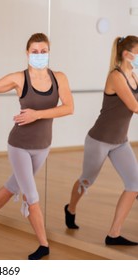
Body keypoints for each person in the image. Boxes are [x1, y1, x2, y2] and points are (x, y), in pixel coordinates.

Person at [0, 33, 74, 260]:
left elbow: (69, 108)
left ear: (49, 52)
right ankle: (43, 244)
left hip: (43, 146)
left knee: (12, 186)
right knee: (31, 195)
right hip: (19, 145)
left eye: (43, 51)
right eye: (35, 51)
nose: (39, 55)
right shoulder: (19, 79)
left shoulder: (59, 78)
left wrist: (36, 115)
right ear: (27, 53)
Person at [64, 35, 138, 246]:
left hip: (120, 142)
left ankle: (113, 234)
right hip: (99, 140)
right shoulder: (116, 76)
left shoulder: (134, 75)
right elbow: (134, 106)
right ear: (127, 54)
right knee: (87, 181)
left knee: (135, 184)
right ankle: (70, 208)